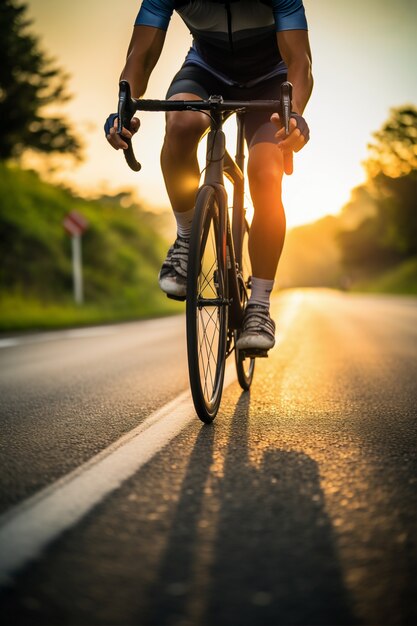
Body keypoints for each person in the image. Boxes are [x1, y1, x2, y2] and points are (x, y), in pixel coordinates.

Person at [106, 0, 313, 353]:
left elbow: (300, 63)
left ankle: (259, 306)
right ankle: (187, 240)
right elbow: (139, 56)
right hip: (205, 71)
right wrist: (124, 108)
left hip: (270, 80)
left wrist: (292, 115)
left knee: (265, 171)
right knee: (182, 122)